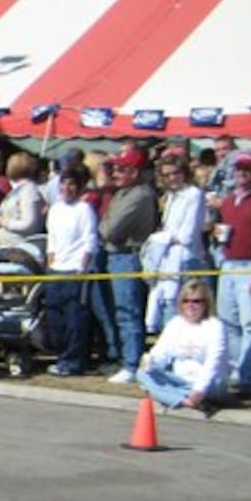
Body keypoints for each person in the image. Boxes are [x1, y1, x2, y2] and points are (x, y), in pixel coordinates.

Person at [213, 151, 251, 398]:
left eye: (247, 169)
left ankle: (248, 376)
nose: (242, 173)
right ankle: (238, 371)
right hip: (228, 264)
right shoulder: (228, 201)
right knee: (228, 321)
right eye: (239, 169)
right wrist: (218, 234)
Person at [97, 146, 158, 384]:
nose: (116, 173)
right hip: (116, 257)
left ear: (135, 171)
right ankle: (125, 358)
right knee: (120, 312)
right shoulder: (122, 193)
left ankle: (132, 363)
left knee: (128, 312)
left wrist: (106, 225)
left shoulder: (140, 195)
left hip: (128, 256)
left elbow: (110, 229)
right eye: (115, 168)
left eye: (122, 168)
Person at [137, 280, 228, 416]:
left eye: (196, 301)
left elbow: (213, 363)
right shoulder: (175, 324)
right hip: (180, 380)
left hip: (209, 383)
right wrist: (151, 362)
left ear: (206, 303)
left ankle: (171, 398)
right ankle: (186, 402)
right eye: (186, 301)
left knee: (153, 387)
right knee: (142, 374)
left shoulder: (215, 326)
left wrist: (199, 390)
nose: (190, 306)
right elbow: (161, 353)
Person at [42, 164, 99, 376]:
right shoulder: (55, 209)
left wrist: (82, 267)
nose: (67, 188)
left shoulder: (84, 209)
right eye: (63, 184)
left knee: (75, 319)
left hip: (75, 271)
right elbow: (52, 241)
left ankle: (74, 361)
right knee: (56, 319)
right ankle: (61, 356)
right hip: (56, 270)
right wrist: (50, 265)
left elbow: (89, 240)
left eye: (72, 184)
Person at [143, 154, 207, 333]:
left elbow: (187, 234)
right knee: (165, 303)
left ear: (184, 172)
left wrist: (161, 238)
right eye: (166, 175)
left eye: (176, 173)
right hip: (167, 260)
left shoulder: (194, 194)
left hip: (187, 259)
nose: (172, 178)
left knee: (181, 307)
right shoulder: (171, 197)